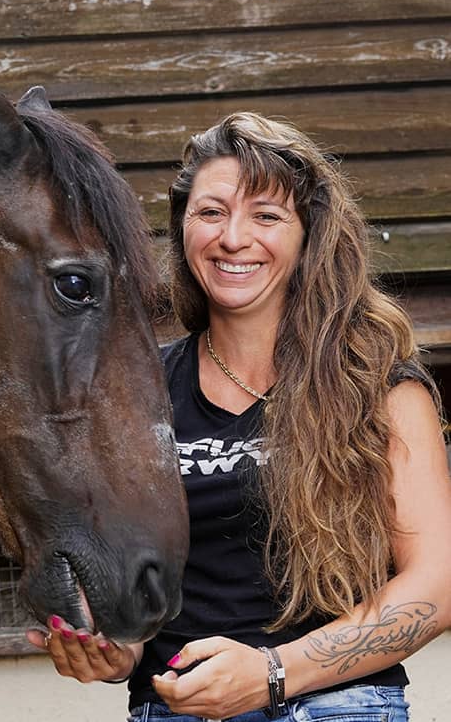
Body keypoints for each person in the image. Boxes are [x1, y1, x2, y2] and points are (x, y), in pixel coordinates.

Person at [27, 112, 451, 721]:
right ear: (182, 229)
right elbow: (132, 608)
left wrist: (273, 673)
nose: (233, 237)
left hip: (340, 706)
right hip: (177, 710)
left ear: (309, 236)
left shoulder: (379, 386)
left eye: (267, 216)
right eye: (211, 212)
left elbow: (433, 587)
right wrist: (111, 648)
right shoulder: (133, 391)